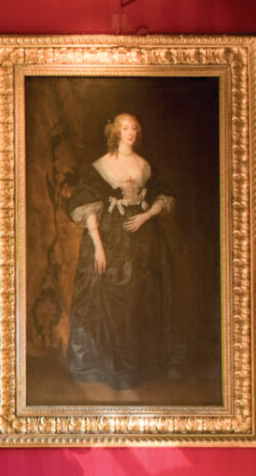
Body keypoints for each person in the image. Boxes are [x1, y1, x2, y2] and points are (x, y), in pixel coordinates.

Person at [65, 109, 181, 391]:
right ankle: (110, 367)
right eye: (126, 127)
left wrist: (146, 216)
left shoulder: (145, 165)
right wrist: (98, 246)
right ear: (115, 132)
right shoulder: (100, 166)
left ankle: (139, 366)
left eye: (134, 128)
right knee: (111, 295)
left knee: (142, 296)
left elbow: (163, 197)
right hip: (112, 237)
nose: (131, 132)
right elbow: (88, 207)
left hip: (144, 239)